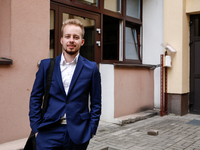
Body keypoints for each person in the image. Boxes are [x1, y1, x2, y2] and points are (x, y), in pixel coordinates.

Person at [29, 19, 101, 150]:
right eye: (67, 36)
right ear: (61, 40)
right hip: (48, 131)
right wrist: (36, 128)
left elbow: (96, 103)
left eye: (76, 37)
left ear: (82, 42)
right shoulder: (46, 66)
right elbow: (35, 98)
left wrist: (91, 130)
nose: (71, 40)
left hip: (79, 133)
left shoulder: (91, 68)